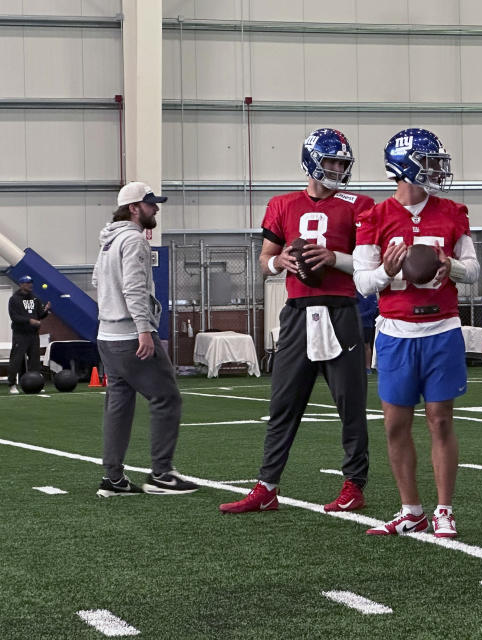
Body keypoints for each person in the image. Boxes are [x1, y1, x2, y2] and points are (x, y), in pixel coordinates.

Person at [220, 129, 374, 514]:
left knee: (350, 404)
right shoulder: (282, 204)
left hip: (341, 311)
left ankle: (354, 485)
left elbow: (371, 267)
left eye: (342, 163)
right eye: (331, 161)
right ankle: (267, 487)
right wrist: (280, 263)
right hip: (298, 314)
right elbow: (264, 260)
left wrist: (333, 257)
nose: (337, 169)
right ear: (311, 161)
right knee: (283, 404)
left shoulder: (360, 204)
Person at [353, 128, 480, 539]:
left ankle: (444, 509)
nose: (437, 170)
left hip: (441, 327)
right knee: (395, 425)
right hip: (395, 331)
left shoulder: (452, 212)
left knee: (440, 420)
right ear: (405, 166)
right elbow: (362, 283)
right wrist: (387, 273)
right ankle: (411, 509)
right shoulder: (374, 216)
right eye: (429, 162)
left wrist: (451, 268)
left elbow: (474, 271)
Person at [93, 181, 198, 497]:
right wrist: (143, 329)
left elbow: (98, 281)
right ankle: (162, 475)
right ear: (134, 208)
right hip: (130, 334)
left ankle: (113, 479)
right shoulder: (134, 241)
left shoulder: (108, 242)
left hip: (107, 336)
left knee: (118, 404)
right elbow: (134, 289)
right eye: (151, 203)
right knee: (167, 398)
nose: (156, 208)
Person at [7, 275, 49, 393]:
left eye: (31, 282)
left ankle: (35, 384)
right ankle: (12, 385)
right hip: (20, 335)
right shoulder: (14, 299)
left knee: (35, 361)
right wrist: (29, 320)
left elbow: (39, 315)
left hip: (33, 335)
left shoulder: (35, 298)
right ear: (21, 285)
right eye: (27, 282)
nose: (30, 284)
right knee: (16, 359)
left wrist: (45, 312)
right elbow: (14, 317)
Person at [356, 291, 378, 373]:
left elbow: (373, 310)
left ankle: (367, 367)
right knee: (354, 346)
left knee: (366, 345)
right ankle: (356, 367)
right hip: (354, 324)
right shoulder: (354, 292)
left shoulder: (371, 293)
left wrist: (359, 316)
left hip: (367, 324)